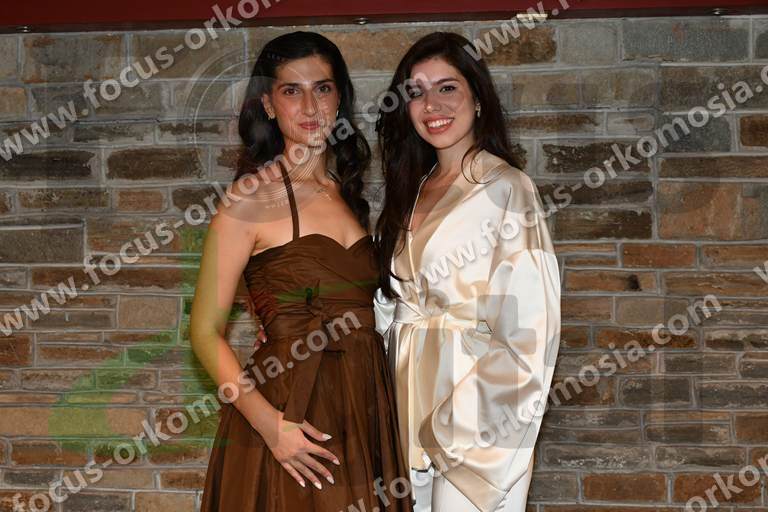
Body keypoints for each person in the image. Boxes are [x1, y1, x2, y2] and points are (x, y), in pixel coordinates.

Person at [190, 31, 412, 511]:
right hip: (289, 414)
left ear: (340, 99)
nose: (310, 106)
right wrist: (271, 427)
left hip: (363, 405)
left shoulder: (348, 195)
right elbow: (204, 333)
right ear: (269, 105)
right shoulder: (247, 200)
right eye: (292, 90)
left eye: (323, 88)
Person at [373, 32, 561, 512]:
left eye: (447, 88)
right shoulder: (409, 191)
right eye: (416, 92)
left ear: (478, 98)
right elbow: (390, 305)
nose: (431, 105)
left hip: (478, 415)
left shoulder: (507, 189)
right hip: (405, 406)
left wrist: (461, 425)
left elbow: (531, 328)